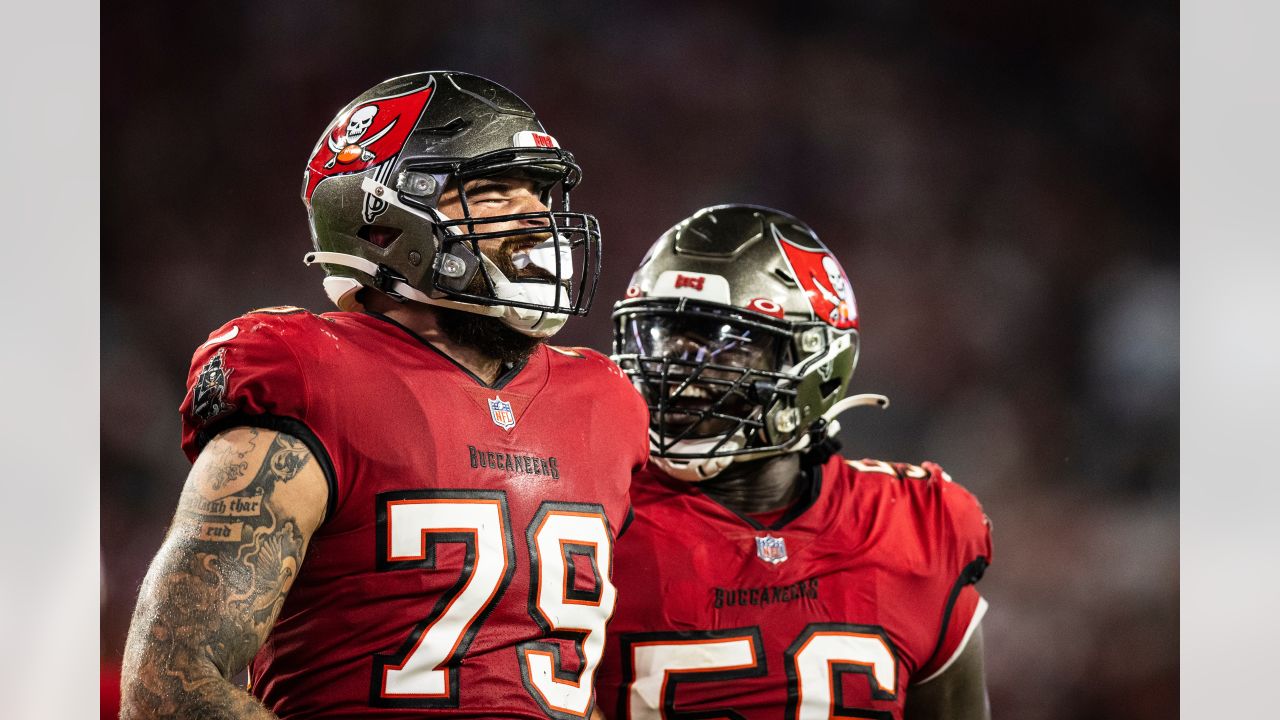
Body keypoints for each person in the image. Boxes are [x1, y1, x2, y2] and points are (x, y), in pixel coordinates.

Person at [120, 71, 648, 719]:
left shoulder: (607, 403)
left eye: (539, 194)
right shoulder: (315, 373)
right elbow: (172, 683)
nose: (536, 220)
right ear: (380, 220)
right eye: (493, 194)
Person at [594, 205, 994, 719]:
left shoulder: (915, 528)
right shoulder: (592, 515)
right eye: (661, 336)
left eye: (724, 344)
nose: (678, 373)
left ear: (819, 369)